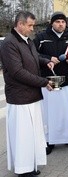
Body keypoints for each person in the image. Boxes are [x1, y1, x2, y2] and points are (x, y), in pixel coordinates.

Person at [0, 11, 55, 176]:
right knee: (22, 136)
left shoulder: (27, 40)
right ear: (20, 24)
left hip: (32, 95)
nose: (32, 29)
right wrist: (44, 82)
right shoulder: (9, 43)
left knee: (32, 134)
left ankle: (30, 164)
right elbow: (17, 72)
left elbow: (35, 57)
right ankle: (23, 170)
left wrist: (47, 62)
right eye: (30, 25)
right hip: (19, 98)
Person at [33, 11, 68, 155]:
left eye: (63, 22)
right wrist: (48, 58)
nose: (61, 24)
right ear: (52, 23)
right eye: (57, 22)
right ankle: (50, 140)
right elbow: (33, 55)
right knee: (52, 111)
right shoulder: (41, 38)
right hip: (51, 80)